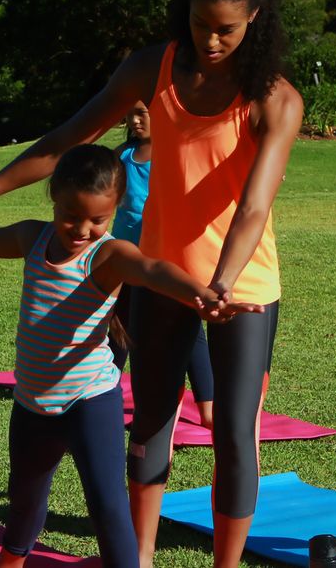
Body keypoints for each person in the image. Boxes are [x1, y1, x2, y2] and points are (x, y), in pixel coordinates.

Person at [0, 0, 301, 564]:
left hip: (241, 288)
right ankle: (137, 560)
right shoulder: (154, 67)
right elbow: (67, 139)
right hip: (157, 275)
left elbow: (252, 208)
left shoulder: (276, 99)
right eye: (200, 25)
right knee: (149, 422)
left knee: (235, 436)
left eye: (227, 31)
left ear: (255, 17)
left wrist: (220, 283)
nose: (211, 41)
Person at [0, 144, 263, 568]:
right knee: (24, 497)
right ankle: (9, 562)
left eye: (98, 220)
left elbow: (154, 271)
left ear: (115, 209)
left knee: (108, 506)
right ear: (53, 200)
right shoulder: (32, 237)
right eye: (70, 216)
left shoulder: (109, 255)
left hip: (90, 401)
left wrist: (203, 295)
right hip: (32, 403)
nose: (82, 229)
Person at [109, 100, 215, 428]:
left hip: (164, 257)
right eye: (131, 114)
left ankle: (208, 406)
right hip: (126, 257)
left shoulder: (174, 156)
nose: (135, 120)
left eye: (143, 113)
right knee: (120, 325)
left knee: (189, 329)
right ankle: (106, 391)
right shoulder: (122, 156)